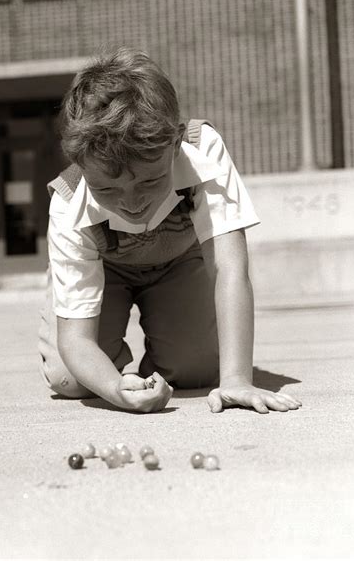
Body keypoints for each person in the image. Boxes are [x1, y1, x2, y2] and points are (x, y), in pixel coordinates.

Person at [38, 47, 302, 415]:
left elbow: (229, 267)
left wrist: (237, 379)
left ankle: (167, 357)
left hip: (180, 261)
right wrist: (117, 390)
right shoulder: (69, 200)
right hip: (104, 269)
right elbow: (77, 339)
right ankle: (117, 365)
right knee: (71, 378)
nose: (131, 203)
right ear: (80, 164)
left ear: (174, 144)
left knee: (196, 371)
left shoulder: (202, 148)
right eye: (108, 190)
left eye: (149, 182)